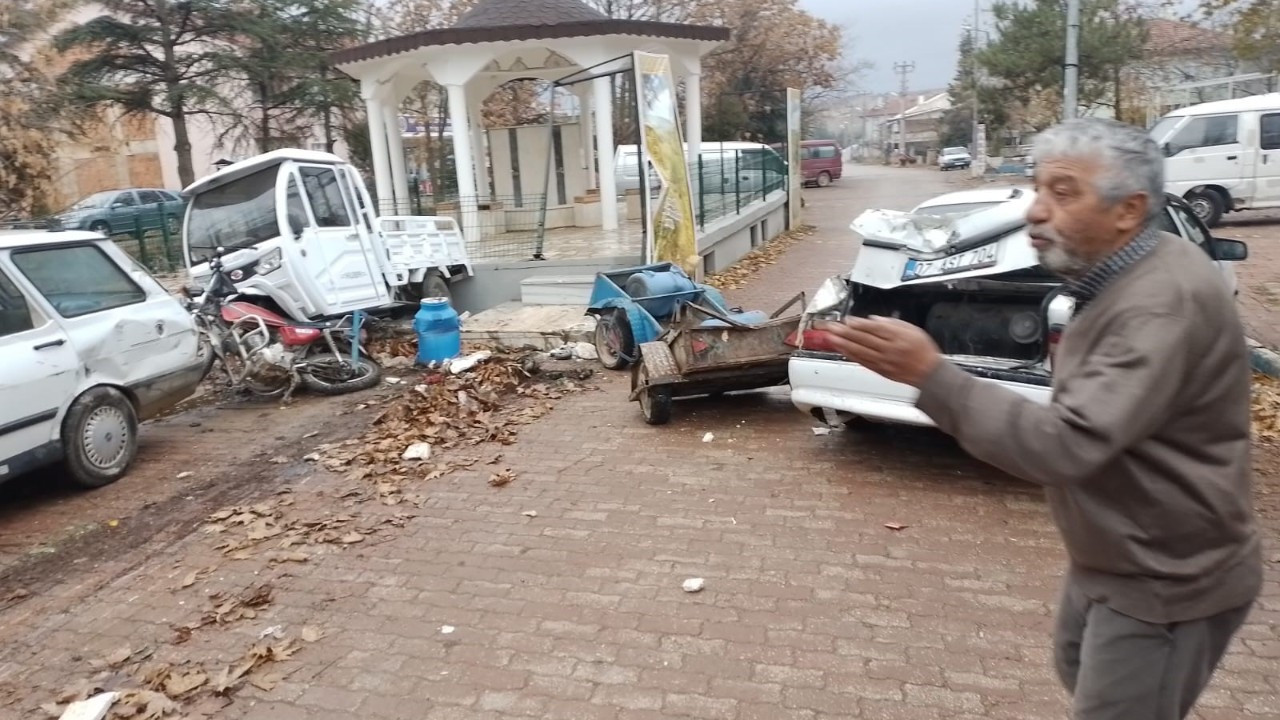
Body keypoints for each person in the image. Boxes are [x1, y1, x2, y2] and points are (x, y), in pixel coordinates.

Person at [821, 117, 1261, 720]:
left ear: (1129, 210)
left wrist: (931, 374)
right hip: (1114, 557)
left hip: (1166, 579)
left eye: (1063, 192)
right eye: (1037, 187)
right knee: (1076, 665)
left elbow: (1066, 444)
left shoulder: (1160, 306)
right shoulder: (1121, 274)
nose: (1035, 210)